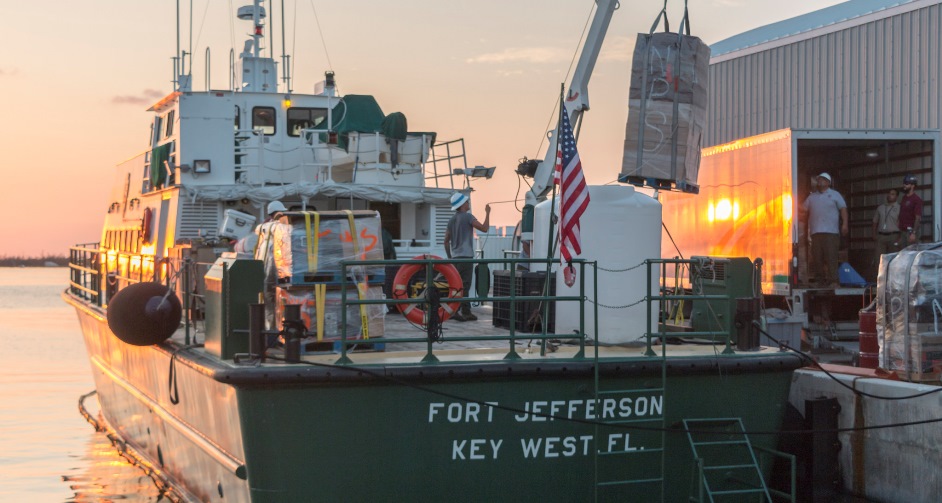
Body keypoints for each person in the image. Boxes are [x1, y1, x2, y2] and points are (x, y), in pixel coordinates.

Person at [444, 192, 490, 321]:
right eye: (466, 202)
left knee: (456, 285)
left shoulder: (451, 220)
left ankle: (457, 310)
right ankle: (463, 311)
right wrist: (487, 213)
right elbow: (484, 228)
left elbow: (446, 241)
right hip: (466, 258)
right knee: (465, 286)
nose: (468, 203)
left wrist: (450, 258)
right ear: (462, 204)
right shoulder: (468, 217)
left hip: (455, 258)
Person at [800, 172, 848, 288]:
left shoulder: (835, 195)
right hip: (815, 232)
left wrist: (845, 224)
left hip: (831, 232)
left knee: (831, 257)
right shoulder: (812, 197)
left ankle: (834, 281)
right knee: (817, 257)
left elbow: (843, 209)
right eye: (818, 180)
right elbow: (803, 209)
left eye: (822, 180)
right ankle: (819, 280)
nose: (819, 182)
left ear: (828, 182)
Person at [255, 200, 287, 328]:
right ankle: (273, 331)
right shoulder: (276, 229)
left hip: (265, 271)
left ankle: (270, 329)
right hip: (272, 273)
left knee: (269, 301)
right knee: (272, 300)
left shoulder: (263, 229)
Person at [872, 188, 900, 268]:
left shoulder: (899, 208)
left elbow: (902, 223)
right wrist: (874, 234)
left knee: (894, 259)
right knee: (879, 259)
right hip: (881, 236)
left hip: (893, 236)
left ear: (896, 196)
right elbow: (875, 221)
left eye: (892, 194)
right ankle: (879, 278)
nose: (890, 196)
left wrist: (900, 237)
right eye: (889, 194)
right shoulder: (880, 208)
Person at [898, 174, 924, 247]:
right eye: (904, 183)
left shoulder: (916, 199)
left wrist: (914, 233)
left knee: (911, 253)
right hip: (903, 231)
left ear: (913, 185)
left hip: (910, 232)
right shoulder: (903, 198)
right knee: (903, 254)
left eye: (906, 183)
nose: (904, 185)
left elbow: (917, 217)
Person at [381, 227, 399, 314]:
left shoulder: (384, 233)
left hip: (385, 264)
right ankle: (388, 305)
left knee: (386, 287)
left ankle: (387, 306)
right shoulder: (385, 233)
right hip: (388, 265)